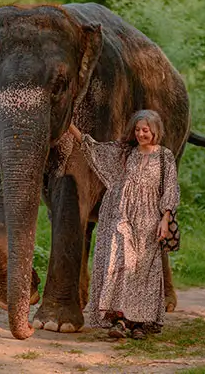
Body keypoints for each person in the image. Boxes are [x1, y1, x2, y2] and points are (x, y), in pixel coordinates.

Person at [67, 109, 180, 340]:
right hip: (121, 216)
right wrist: (69, 124)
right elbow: (93, 148)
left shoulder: (164, 156)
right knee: (118, 265)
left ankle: (138, 322)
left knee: (142, 271)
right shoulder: (125, 153)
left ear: (155, 131)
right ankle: (119, 320)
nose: (140, 134)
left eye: (145, 130)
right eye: (137, 130)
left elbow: (170, 189)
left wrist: (165, 220)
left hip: (149, 220)